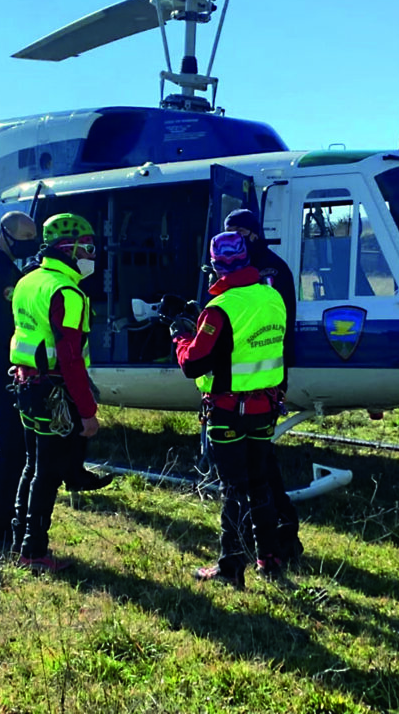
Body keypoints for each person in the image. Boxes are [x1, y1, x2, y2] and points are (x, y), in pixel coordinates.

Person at [0, 212, 111, 546]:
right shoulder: (4, 276)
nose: (30, 243)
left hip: (4, 374)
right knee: (12, 455)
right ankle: (4, 528)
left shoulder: (10, 274)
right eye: (24, 235)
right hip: (12, 376)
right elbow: (17, 335)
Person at [172, 231, 286, 588]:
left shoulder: (219, 310)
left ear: (216, 266)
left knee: (233, 489)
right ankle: (269, 560)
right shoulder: (272, 296)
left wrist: (179, 335)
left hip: (227, 411)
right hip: (264, 407)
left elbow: (194, 364)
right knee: (260, 484)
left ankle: (230, 566)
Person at [9, 213, 102, 572]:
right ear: (70, 248)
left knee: (32, 465)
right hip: (54, 391)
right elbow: (71, 359)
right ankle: (34, 551)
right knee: (46, 473)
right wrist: (87, 411)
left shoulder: (28, 281)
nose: (92, 255)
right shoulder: (68, 292)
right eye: (88, 248)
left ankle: (20, 540)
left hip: (25, 384)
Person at [223, 208, 303, 565]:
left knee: (260, 470)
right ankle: (270, 545)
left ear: (253, 234)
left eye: (238, 233)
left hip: (264, 386)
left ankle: (281, 537)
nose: (234, 240)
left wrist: (280, 382)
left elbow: (281, 330)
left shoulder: (272, 271)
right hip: (242, 389)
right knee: (257, 468)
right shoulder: (241, 274)